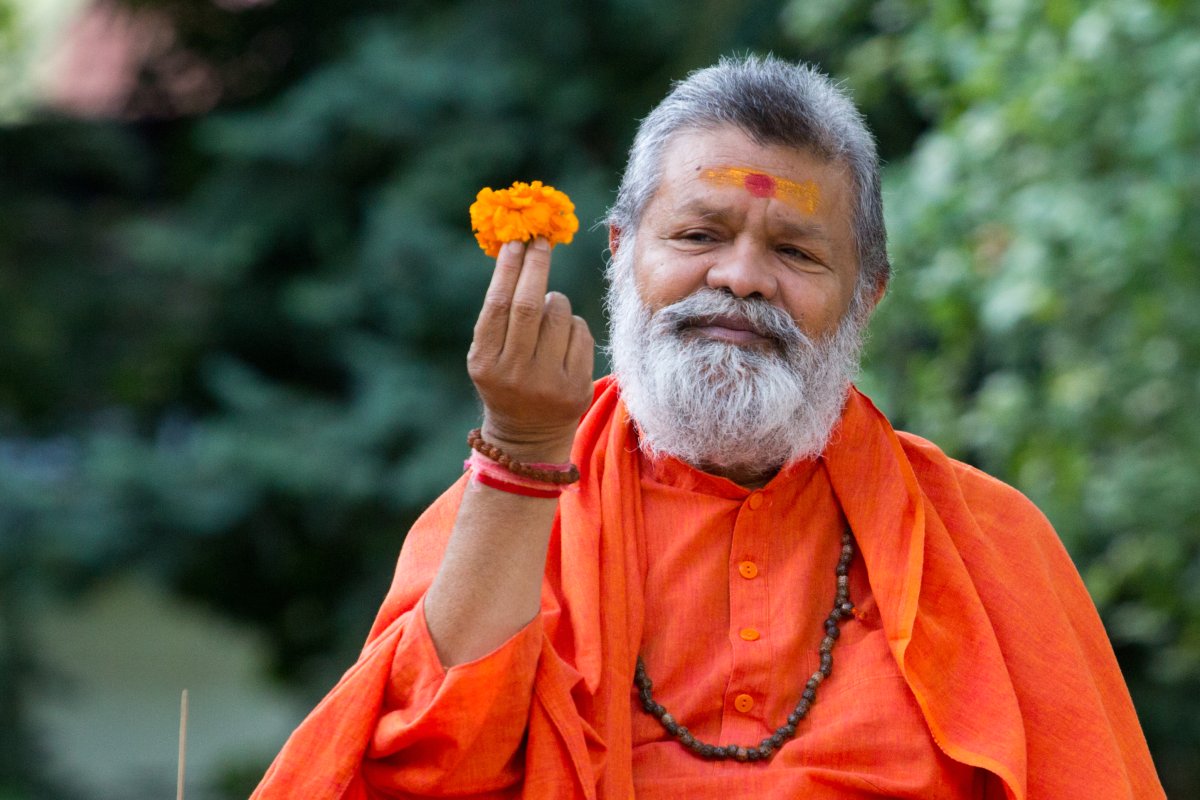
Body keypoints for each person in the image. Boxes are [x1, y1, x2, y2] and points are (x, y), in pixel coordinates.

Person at [251, 55, 1164, 799]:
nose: (742, 277)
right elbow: (418, 775)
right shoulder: (512, 509)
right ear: (621, 254)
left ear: (867, 299)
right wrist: (523, 459)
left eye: (797, 251)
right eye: (697, 236)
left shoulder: (988, 542)